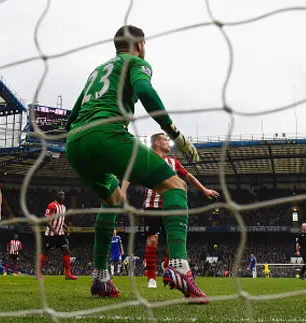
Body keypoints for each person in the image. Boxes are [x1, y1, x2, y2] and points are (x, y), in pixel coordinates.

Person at [65, 25, 205, 301]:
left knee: (113, 199)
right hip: (106, 134)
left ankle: (101, 277)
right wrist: (175, 132)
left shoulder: (96, 71)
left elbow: (73, 114)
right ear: (140, 45)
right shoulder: (137, 62)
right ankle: (178, 265)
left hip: (75, 143)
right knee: (176, 186)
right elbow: (144, 91)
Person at [142, 132, 219, 289]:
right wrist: (122, 191)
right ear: (156, 143)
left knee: (174, 240)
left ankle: (166, 263)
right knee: (153, 239)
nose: (168, 142)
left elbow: (189, 177)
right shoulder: (147, 158)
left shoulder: (173, 162)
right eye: (165, 140)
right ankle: (151, 277)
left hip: (171, 205)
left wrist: (204, 190)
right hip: (152, 205)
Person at [39, 191, 78, 280]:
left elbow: (60, 220)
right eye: (60, 194)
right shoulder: (51, 205)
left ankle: (68, 274)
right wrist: (53, 230)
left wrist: (66, 227)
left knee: (66, 250)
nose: (62, 196)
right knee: (45, 252)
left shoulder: (63, 207)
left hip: (60, 233)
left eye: (64, 195)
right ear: (57, 196)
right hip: (51, 234)